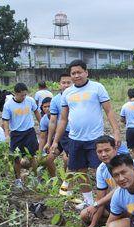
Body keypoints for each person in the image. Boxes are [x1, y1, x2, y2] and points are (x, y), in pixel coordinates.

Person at [51, 60, 122, 211]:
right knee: (81, 171)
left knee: (101, 169)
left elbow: (109, 111)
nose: (76, 76)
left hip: (95, 139)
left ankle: (112, 200)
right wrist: (56, 141)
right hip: (75, 139)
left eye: (79, 72)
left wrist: (116, 132)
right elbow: (63, 119)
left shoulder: (97, 88)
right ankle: (89, 201)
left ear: (86, 72)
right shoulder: (67, 93)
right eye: (73, 73)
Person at [80, 136, 134, 227]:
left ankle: (127, 224)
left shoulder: (127, 163)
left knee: (125, 209)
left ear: (115, 149)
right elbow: (100, 197)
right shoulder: (101, 169)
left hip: (133, 201)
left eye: (107, 150)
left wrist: (97, 204)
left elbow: (120, 189)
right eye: (99, 151)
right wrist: (93, 224)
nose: (103, 154)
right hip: (116, 203)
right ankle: (116, 222)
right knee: (85, 215)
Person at [2, 82, 42, 190]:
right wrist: (7, 134)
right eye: (21, 95)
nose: (24, 97)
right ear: (15, 93)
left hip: (29, 132)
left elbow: (36, 112)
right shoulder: (8, 105)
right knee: (16, 158)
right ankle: (18, 180)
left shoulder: (30, 101)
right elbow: (5, 120)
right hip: (16, 134)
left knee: (31, 156)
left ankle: (34, 179)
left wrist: (42, 125)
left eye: (25, 94)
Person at [45, 73, 73, 194]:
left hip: (73, 134)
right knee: (48, 159)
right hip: (61, 134)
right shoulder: (55, 100)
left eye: (69, 82)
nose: (66, 85)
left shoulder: (76, 97)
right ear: (59, 84)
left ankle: (67, 188)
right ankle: (54, 180)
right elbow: (52, 121)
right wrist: (50, 141)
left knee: (69, 159)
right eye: (64, 82)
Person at [37, 97, 57, 178]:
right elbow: (42, 137)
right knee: (46, 159)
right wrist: (39, 153)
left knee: (66, 159)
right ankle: (53, 178)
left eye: (49, 106)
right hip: (52, 140)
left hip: (63, 139)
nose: (47, 109)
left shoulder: (60, 116)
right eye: (45, 107)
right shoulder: (44, 120)